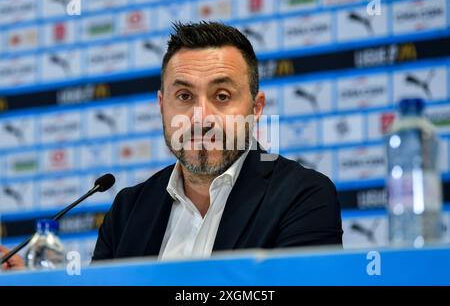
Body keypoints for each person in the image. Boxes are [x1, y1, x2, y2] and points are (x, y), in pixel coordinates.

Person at [92, 21, 343, 262]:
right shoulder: (126, 211)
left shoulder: (303, 197)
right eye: (184, 95)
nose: (201, 118)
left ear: (256, 108)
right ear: (162, 106)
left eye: (222, 96)